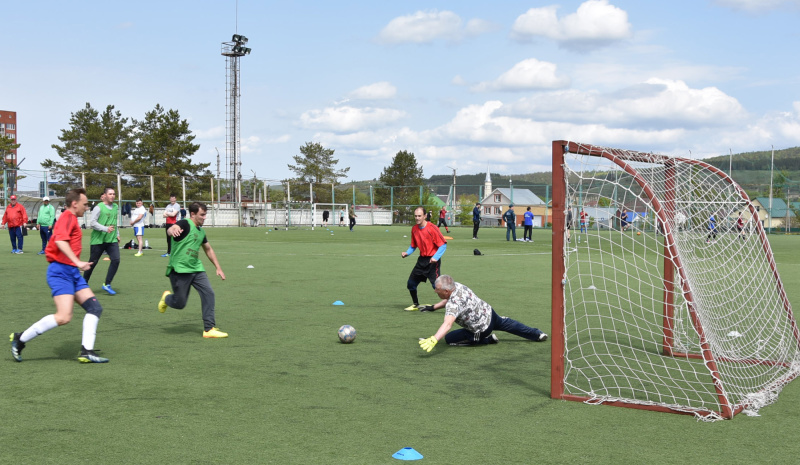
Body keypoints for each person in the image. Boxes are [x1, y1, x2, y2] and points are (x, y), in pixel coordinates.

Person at [9, 188, 109, 363]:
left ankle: (87, 351)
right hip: (60, 273)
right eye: (85, 205)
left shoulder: (71, 218)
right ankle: (20, 339)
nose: (87, 208)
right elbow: (60, 241)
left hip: (71, 273)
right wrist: (78, 263)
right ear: (74, 203)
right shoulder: (67, 217)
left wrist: (76, 265)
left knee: (95, 308)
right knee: (63, 317)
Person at [417, 275, 548, 351]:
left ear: (446, 291)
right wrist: (433, 307)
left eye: (437, 289)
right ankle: (537, 334)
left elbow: (448, 323)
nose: (435, 291)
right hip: (490, 313)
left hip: (481, 328)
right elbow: (448, 300)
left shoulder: (453, 303)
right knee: (508, 324)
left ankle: (487, 340)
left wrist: (435, 338)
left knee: (449, 339)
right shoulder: (457, 286)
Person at [157, 202, 228, 338]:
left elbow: (208, 249)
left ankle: (209, 329)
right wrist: (172, 230)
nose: (204, 218)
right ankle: (167, 298)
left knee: (209, 294)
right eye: (202, 215)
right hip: (180, 270)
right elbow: (172, 228)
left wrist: (218, 268)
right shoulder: (185, 224)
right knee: (180, 303)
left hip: (196, 269)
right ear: (193, 214)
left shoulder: (201, 231)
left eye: (205, 214)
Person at [401, 207, 447, 311]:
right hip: (421, 261)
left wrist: (435, 257)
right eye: (415, 216)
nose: (417, 218)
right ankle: (415, 304)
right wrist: (407, 253)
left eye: (419, 216)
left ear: (425, 216)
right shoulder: (414, 229)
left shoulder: (433, 228)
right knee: (411, 284)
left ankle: (451, 304)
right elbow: (413, 245)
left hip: (432, 262)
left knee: (437, 286)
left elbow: (443, 244)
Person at [84, 187, 121, 295]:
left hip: (111, 239)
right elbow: (92, 223)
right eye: (110, 194)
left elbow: (114, 221)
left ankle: (107, 284)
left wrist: (117, 234)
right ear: (104, 195)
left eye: (114, 194)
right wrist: (105, 229)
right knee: (92, 263)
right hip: (98, 240)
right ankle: (84, 283)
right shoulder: (98, 208)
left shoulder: (115, 206)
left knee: (116, 260)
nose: (112, 196)